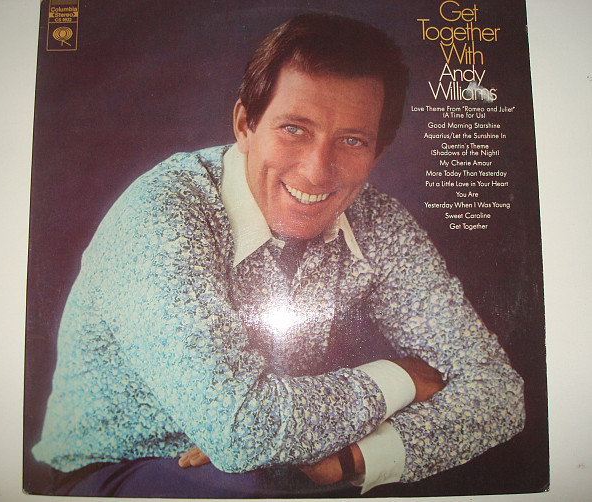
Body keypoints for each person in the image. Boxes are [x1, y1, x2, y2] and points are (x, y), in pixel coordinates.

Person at [32, 13, 525, 497]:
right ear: (245, 125)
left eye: (352, 141)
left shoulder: (376, 218)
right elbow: (243, 430)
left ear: (377, 153)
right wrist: (400, 379)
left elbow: (498, 392)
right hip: (112, 470)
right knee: (256, 482)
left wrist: (351, 458)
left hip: (265, 468)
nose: (317, 171)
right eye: (294, 129)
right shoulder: (163, 211)